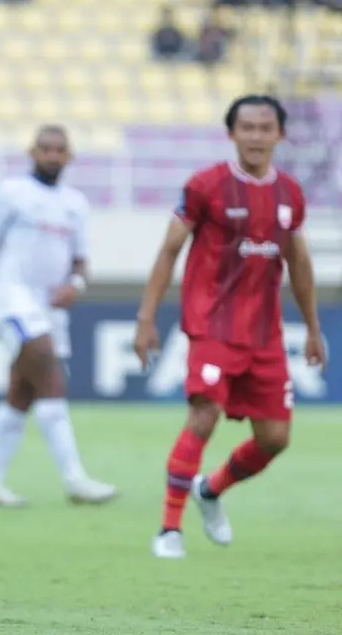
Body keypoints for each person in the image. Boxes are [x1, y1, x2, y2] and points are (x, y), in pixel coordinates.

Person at [136, 95, 326, 560]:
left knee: (275, 439)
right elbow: (169, 250)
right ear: (232, 134)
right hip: (212, 327)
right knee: (204, 415)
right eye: (247, 127)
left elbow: (298, 261)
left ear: (280, 134)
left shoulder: (291, 194)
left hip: (265, 335)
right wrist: (146, 317)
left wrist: (313, 327)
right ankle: (168, 530)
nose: (256, 136)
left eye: (265, 128)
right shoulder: (206, 186)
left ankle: (211, 490)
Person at [0, 126, 118, 508]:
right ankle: (75, 479)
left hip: (49, 309)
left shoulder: (76, 204)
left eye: (59, 150)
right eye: (45, 148)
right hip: (10, 299)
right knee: (46, 367)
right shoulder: (11, 192)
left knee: (21, 393)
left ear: (69, 156)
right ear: (32, 151)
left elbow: (81, 261)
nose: (52, 155)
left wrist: (75, 285)